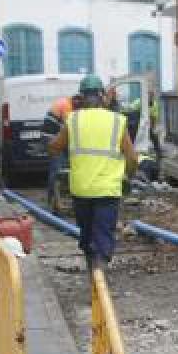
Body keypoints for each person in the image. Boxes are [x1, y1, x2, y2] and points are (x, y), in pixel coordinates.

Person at [47, 75, 138, 271]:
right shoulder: (116, 121)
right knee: (103, 242)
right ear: (102, 96)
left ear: (81, 97)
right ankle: (99, 286)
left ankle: (94, 284)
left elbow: (54, 147)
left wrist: (57, 148)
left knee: (88, 239)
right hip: (107, 191)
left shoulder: (73, 120)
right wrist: (128, 176)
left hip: (81, 190)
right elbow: (132, 158)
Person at [42, 96, 74, 207]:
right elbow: (69, 127)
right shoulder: (67, 105)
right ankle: (52, 199)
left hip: (50, 137)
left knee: (58, 166)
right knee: (57, 167)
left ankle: (54, 198)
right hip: (51, 138)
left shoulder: (65, 102)